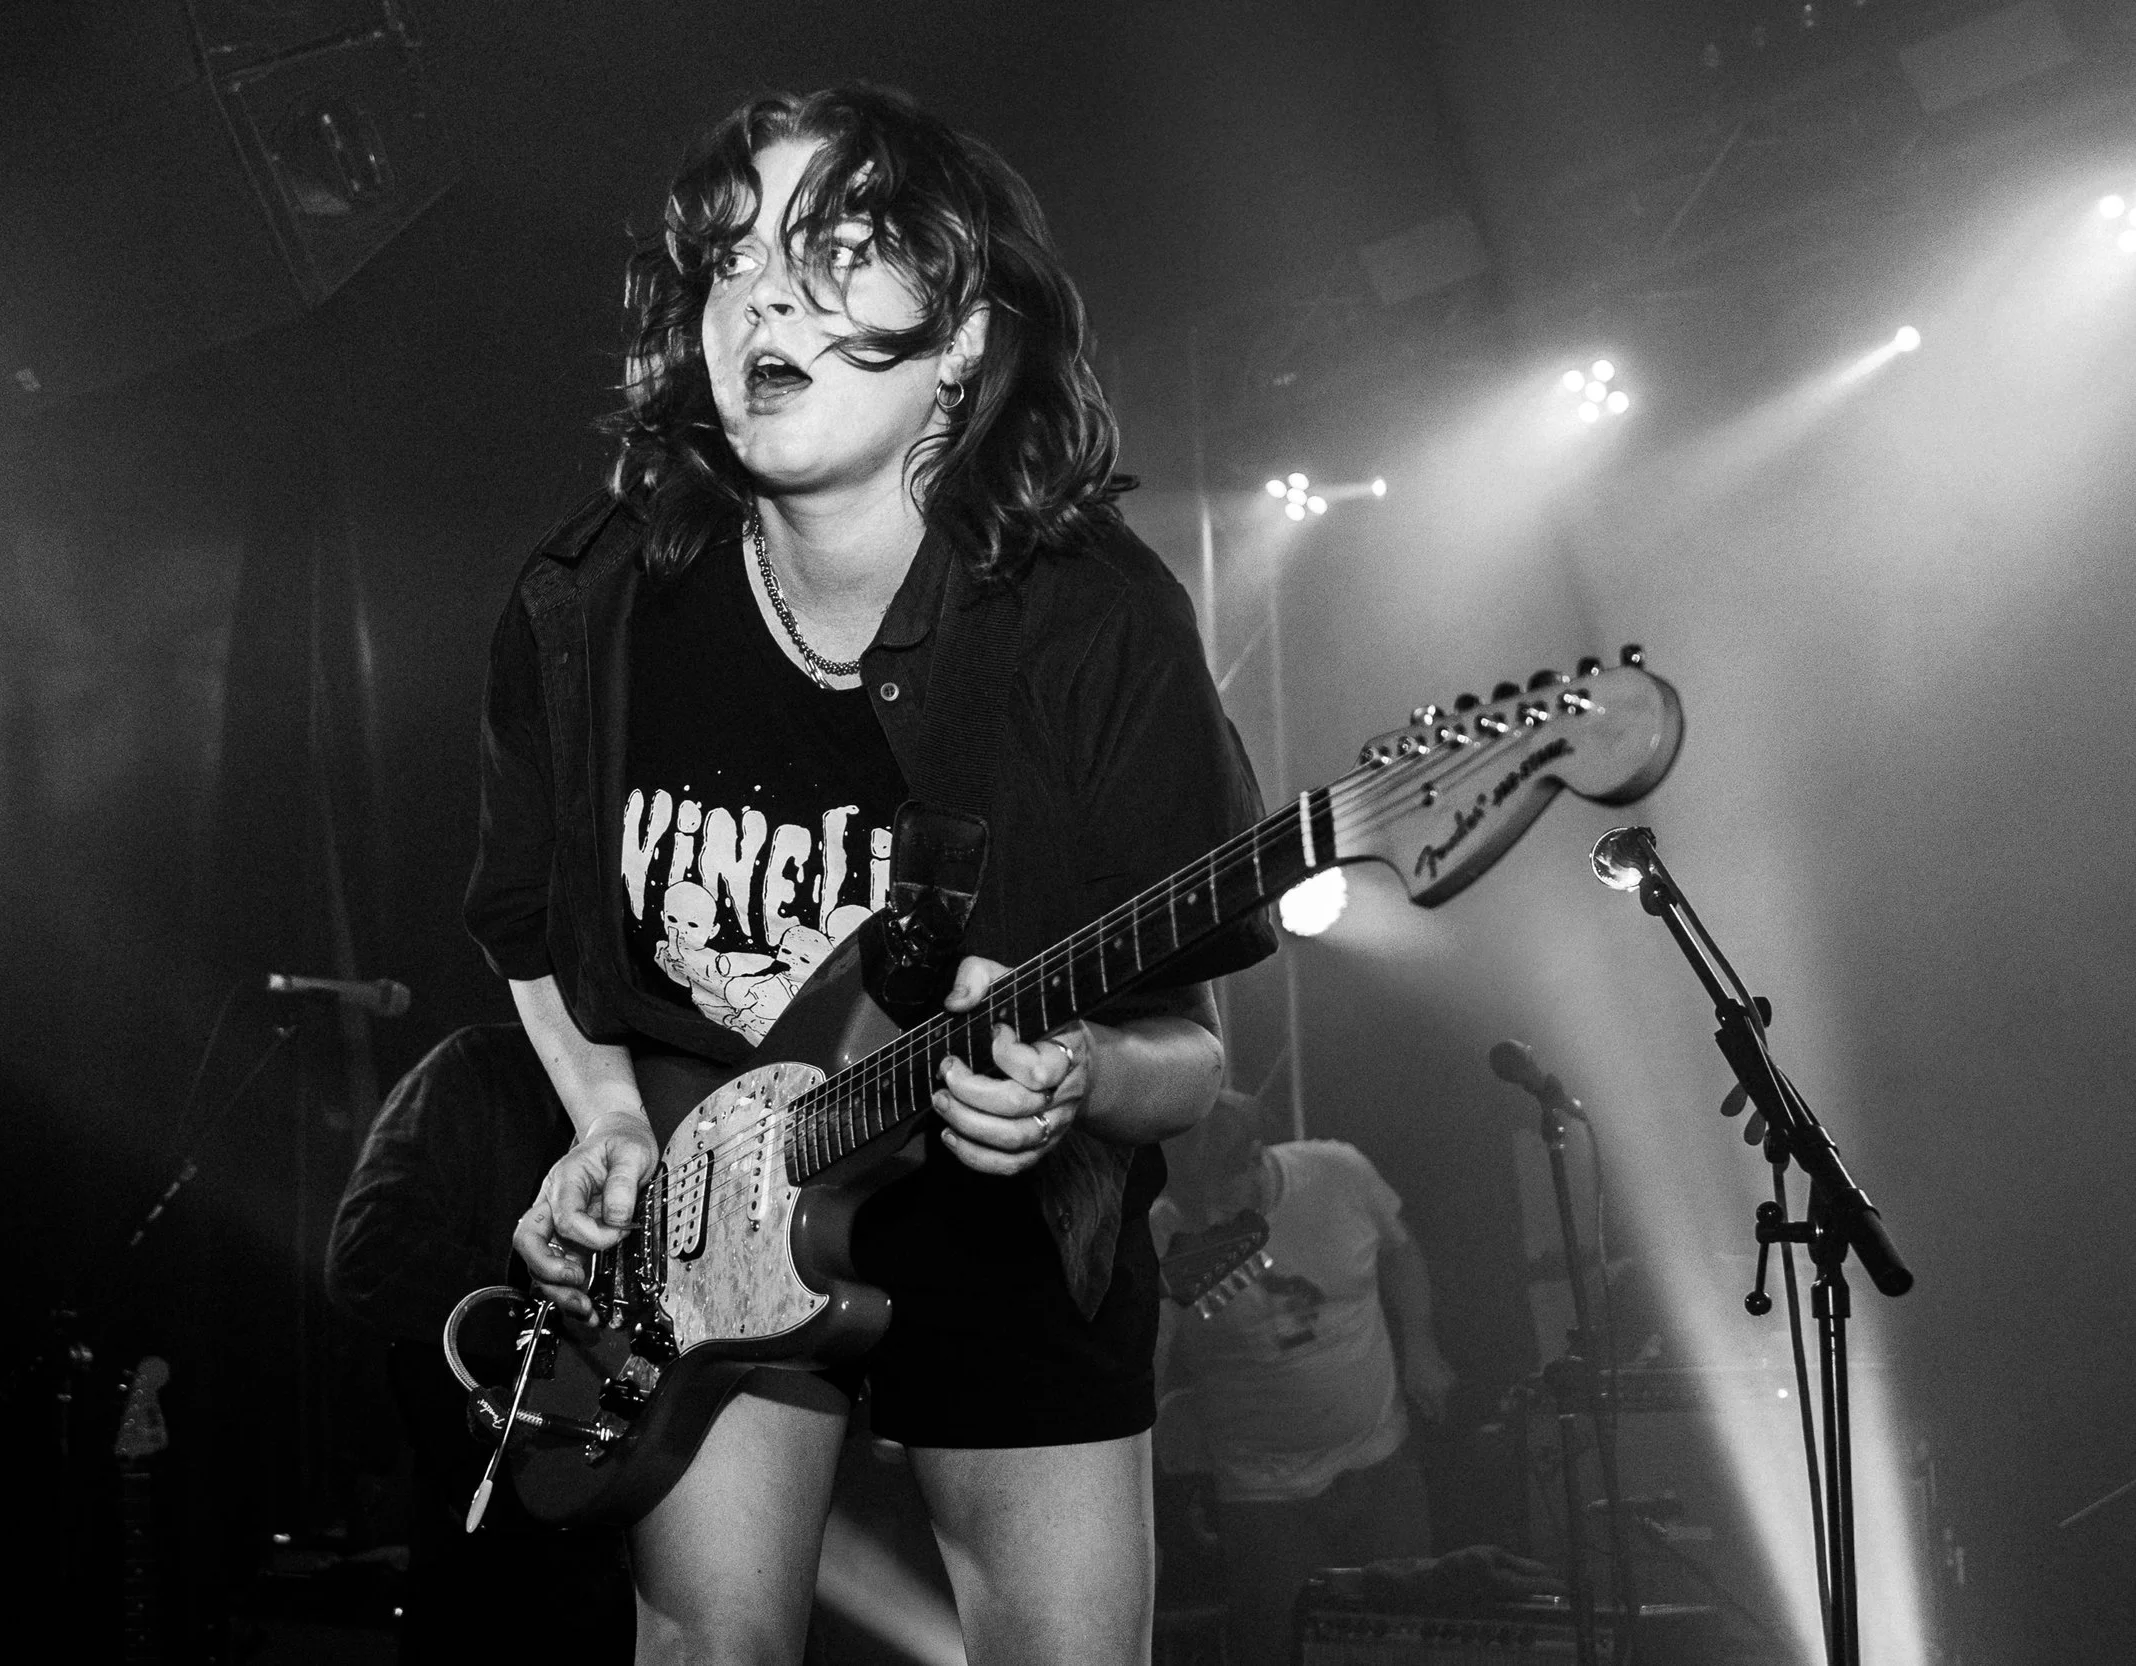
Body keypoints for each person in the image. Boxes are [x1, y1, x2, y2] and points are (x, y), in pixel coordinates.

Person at [463, 85, 1276, 1665]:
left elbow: (1193, 1063)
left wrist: (1084, 1072)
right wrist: (616, 1124)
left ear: (963, 334)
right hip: (717, 1215)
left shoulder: (1094, 624)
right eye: (730, 258)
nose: (760, 291)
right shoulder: (597, 603)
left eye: (833, 250)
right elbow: (524, 924)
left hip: (1007, 1235)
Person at [323, 1025, 633, 1665]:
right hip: (502, 1515)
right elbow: (365, 1256)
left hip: (641, 1499)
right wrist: (533, 1296)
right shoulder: (481, 1067)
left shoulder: (698, 1084)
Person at [1152, 1093, 1458, 1666]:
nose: (1210, 1220)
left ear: (1253, 1158)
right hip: (1262, 1493)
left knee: (1409, 1642)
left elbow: (1401, 1251)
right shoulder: (1170, 1230)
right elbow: (1150, 1356)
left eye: (1219, 1200)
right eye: (1194, 1204)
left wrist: (1422, 1349)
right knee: (1278, 1651)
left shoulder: (1337, 1172)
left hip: (1378, 1457)